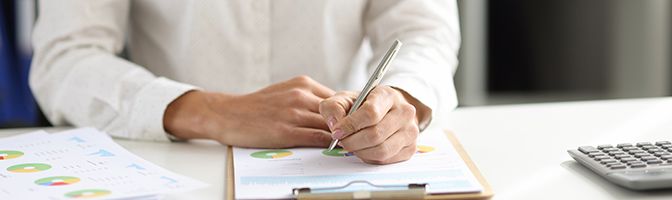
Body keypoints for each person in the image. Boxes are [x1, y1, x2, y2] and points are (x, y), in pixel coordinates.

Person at [30, 0, 460, 165]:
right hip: (175, 163)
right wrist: (209, 111)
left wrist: (398, 102)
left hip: (340, 163)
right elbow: (64, 56)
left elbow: (425, 31)